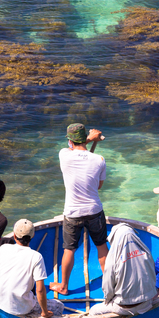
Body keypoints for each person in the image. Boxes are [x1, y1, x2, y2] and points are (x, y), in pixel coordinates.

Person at [50, 123, 108, 295]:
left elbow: (76, 149)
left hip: (72, 213)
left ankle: (64, 287)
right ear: (84, 138)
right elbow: (98, 186)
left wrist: (91, 138)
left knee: (69, 249)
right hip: (94, 210)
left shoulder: (63, 155)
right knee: (102, 246)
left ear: (70, 140)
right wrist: (92, 138)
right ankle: (110, 286)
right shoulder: (99, 160)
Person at [0, 219, 64, 318]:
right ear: (33, 236)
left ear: (14, 235)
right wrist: (45, 312)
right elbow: (40, 289)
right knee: (59, 306)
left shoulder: (3, 248)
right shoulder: (36, 256)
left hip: (1, 301)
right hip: (22, 308)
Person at [88, 223, 157, 316]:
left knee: (93, 310)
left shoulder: (112, 259)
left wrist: (108, 300)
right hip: (146, 302)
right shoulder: (146, 252)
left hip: (124, 307)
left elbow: (107, 288)